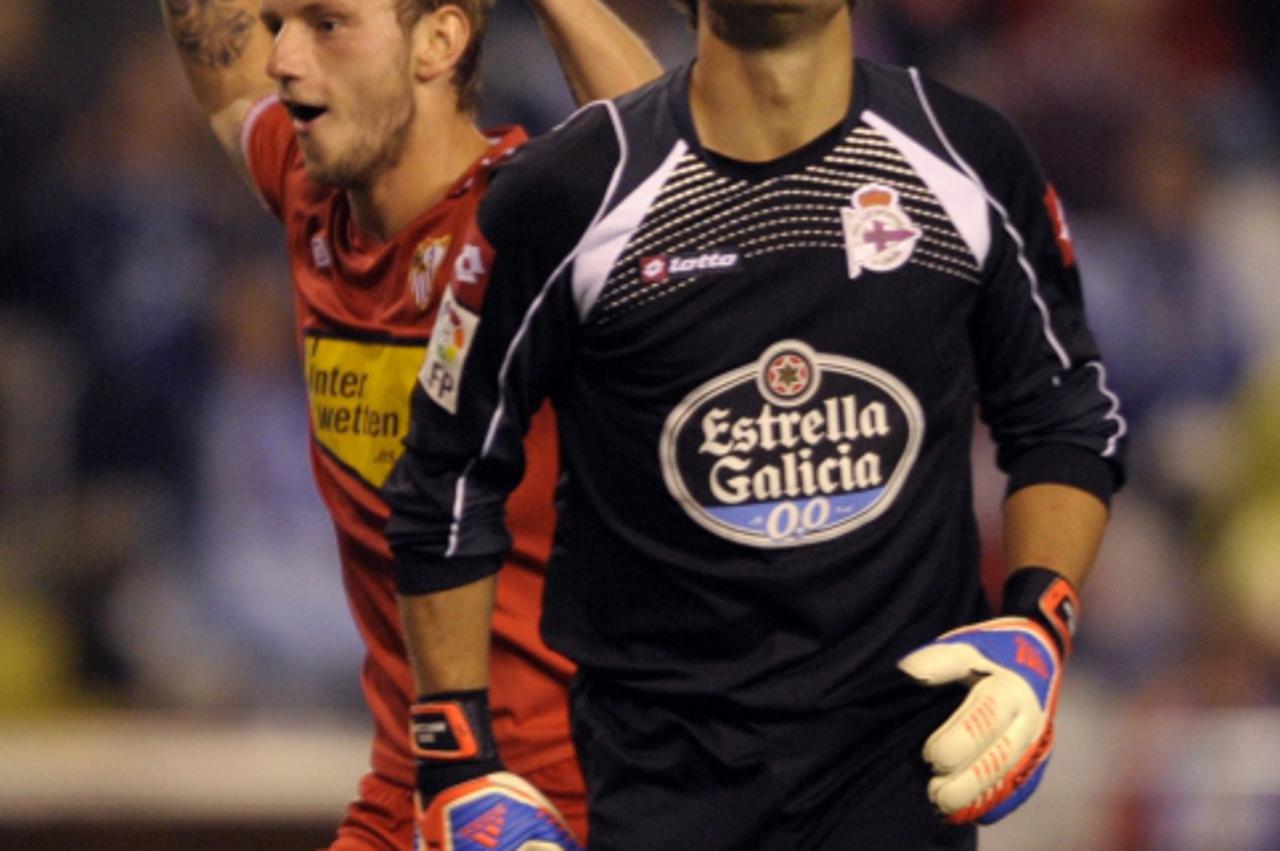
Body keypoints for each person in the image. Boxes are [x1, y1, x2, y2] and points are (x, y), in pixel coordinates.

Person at [385, 0, 1127, 848]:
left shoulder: (968, 157)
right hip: (652, 784)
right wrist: (455, 761)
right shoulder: (565, 196)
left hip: (900, 769)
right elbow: (446, 475)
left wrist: (1040, 624)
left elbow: (1066, 415)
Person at [160, 1, 660, 848]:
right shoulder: (312, 196)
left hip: (587, 798)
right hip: (416, 783)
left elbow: (671, 162)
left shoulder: (535, 221)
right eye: (279, 22)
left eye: (325, 24)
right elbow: (220, 66)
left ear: (440, 39)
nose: (282, 58)